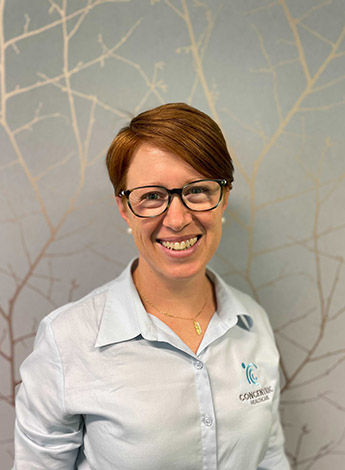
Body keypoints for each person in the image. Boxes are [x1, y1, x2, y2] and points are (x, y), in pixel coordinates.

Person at [13, 103, 290, 469]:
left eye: (198, 190)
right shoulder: (68, 341)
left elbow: (270, 459)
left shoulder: (252, 323)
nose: (177, 219)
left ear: (222, 197)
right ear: (125, 208)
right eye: (152, 196)